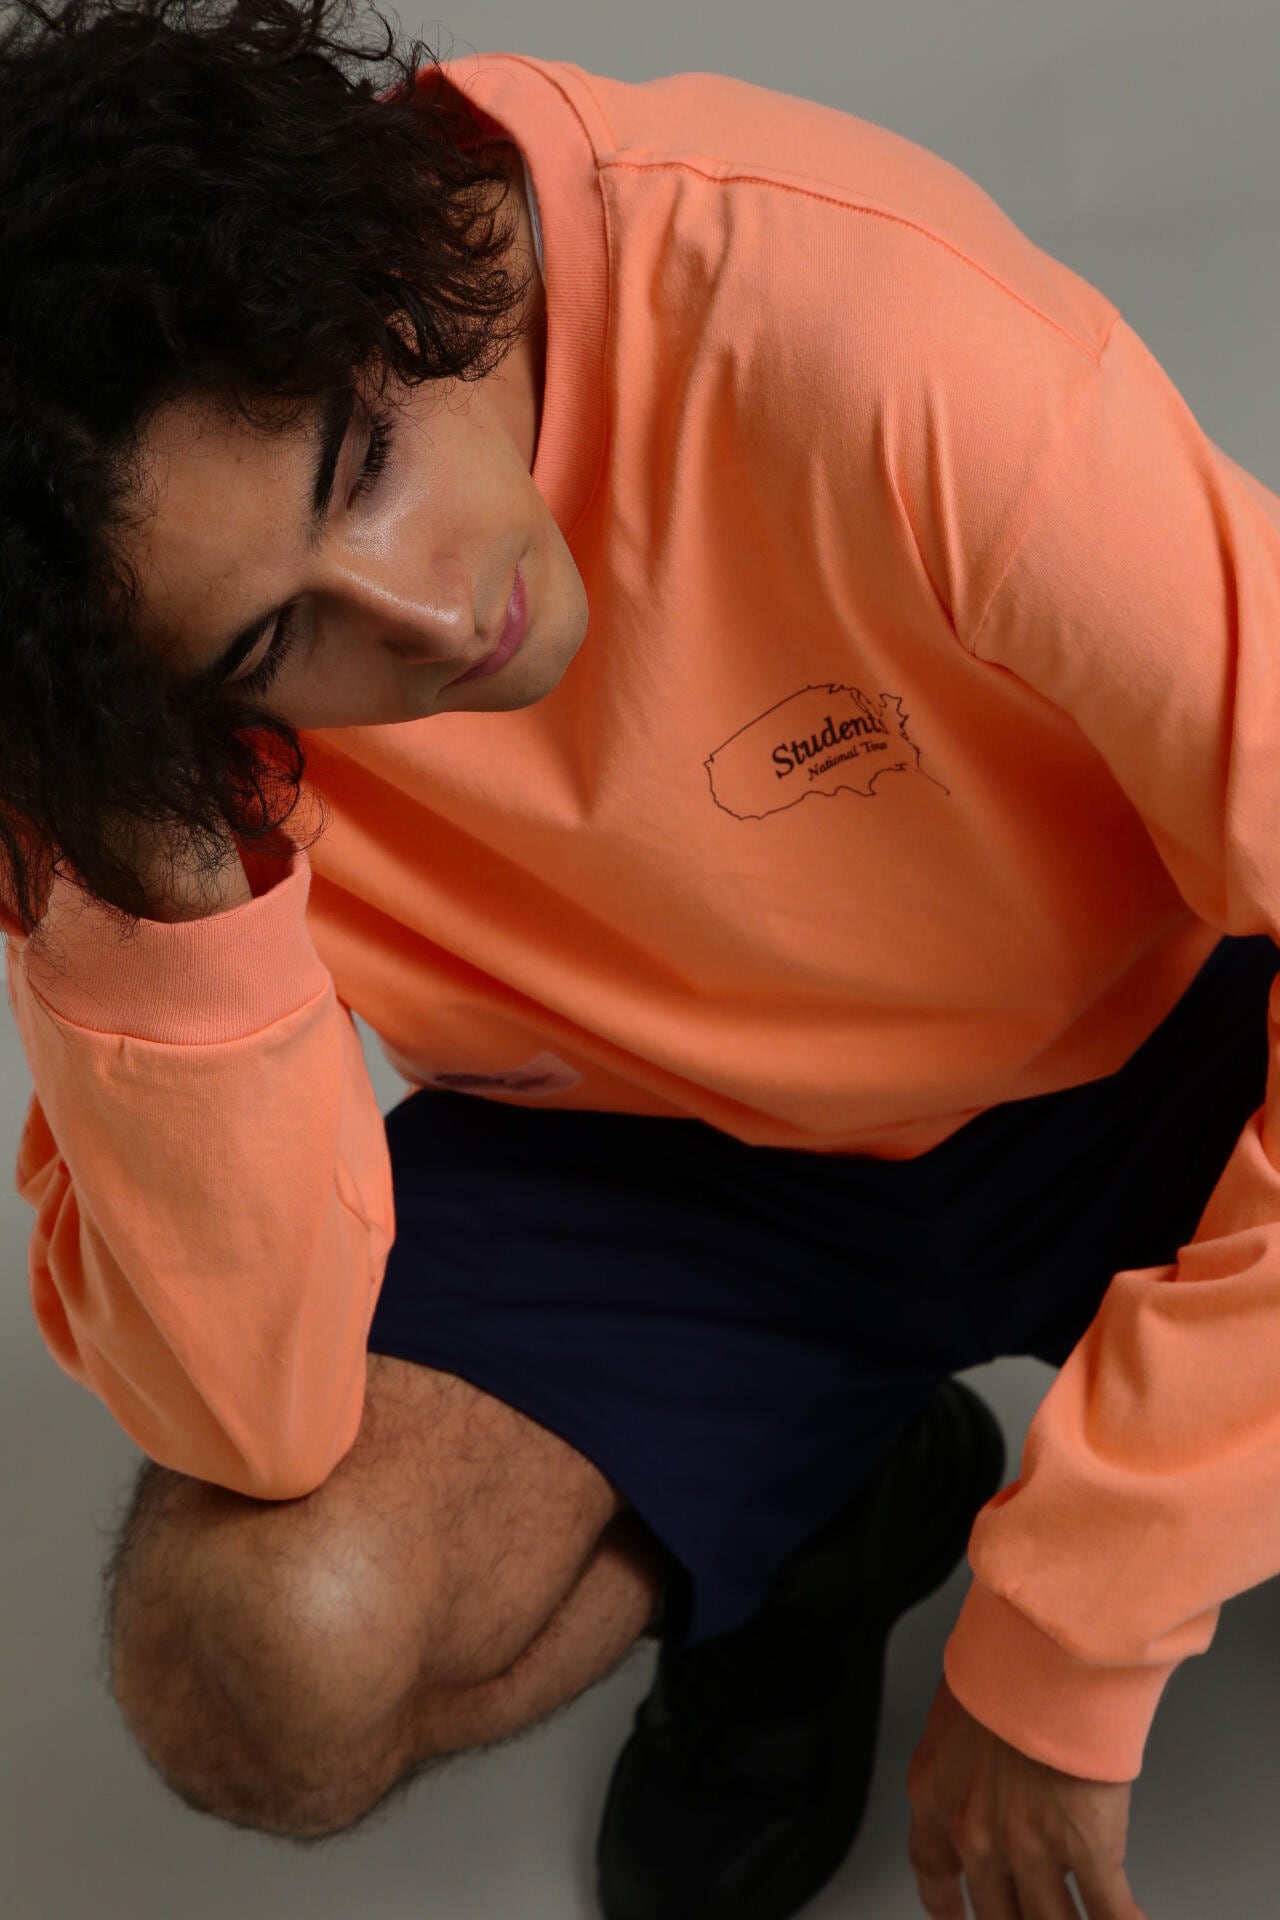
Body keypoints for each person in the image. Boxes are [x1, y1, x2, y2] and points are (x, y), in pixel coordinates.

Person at [3, 0, 1279, 1914]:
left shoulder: (852, 325)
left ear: (373, 260)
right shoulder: (120, 719)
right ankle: (825, 1526)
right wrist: (161, 859)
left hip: (1174, 1045)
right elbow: (250, 1416)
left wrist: (1076, 1629)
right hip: (668, 1149)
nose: (427, 615)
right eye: (274, 640)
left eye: (362, 459)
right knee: (256, 1663)